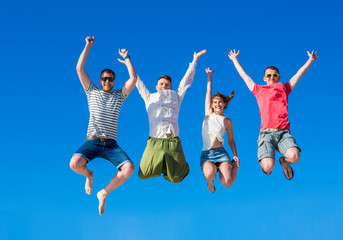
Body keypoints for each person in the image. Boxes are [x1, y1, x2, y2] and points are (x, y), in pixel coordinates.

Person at [69, 36, 137, 215]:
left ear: (114, 81)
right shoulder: (91, 91)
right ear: (100, 80)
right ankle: (89, 175)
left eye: (111, 79)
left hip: (111, 144)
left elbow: (133, 79)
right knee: (74, 164)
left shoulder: (118, 96)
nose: (108, 81)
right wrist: (87, 46)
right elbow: (79, 68)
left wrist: (126, 59)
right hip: (92, 141)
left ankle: (104, 192)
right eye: (105, 79)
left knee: (129, 168)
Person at [228, 49, 318, 180]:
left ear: (279, 77)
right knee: (268, 166)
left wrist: (310, 60)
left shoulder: (284, 88)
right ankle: (266, 163)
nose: (272, 78)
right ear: (264, 78)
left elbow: (299, 74)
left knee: (295, 156)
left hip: (283, 133)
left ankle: (284, 162)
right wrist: (235, 60)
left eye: (274, 75)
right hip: (266, 134)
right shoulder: (259, 90)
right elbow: (244, 76)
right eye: (269, 76)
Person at [135, 50, 207, 183]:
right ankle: (162, 164)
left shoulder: (176, 97)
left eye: (167, 84)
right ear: (156, 86)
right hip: (154, 141)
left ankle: (172, 166)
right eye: (161, 84)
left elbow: (186, 81)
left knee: (176, 178)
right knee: (143, 173)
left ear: (171, 87)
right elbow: (137, 82)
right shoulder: (150, 97)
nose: (164, 86)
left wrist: (194, 61)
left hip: (172, 141)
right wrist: (127, 60)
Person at [201, 67, 239, 193]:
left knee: (227, 183)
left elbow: (231, 141)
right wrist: (210, 76)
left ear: (224, 104)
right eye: (215, 102)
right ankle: (210, 183)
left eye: (220, 102)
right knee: (209, 173)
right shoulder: (208, 114)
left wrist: (235, 155)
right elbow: (208, 90)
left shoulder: (228, 121)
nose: (217, 104)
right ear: (211, 104)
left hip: (222, 154)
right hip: (207, 154)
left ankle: (235, 168)